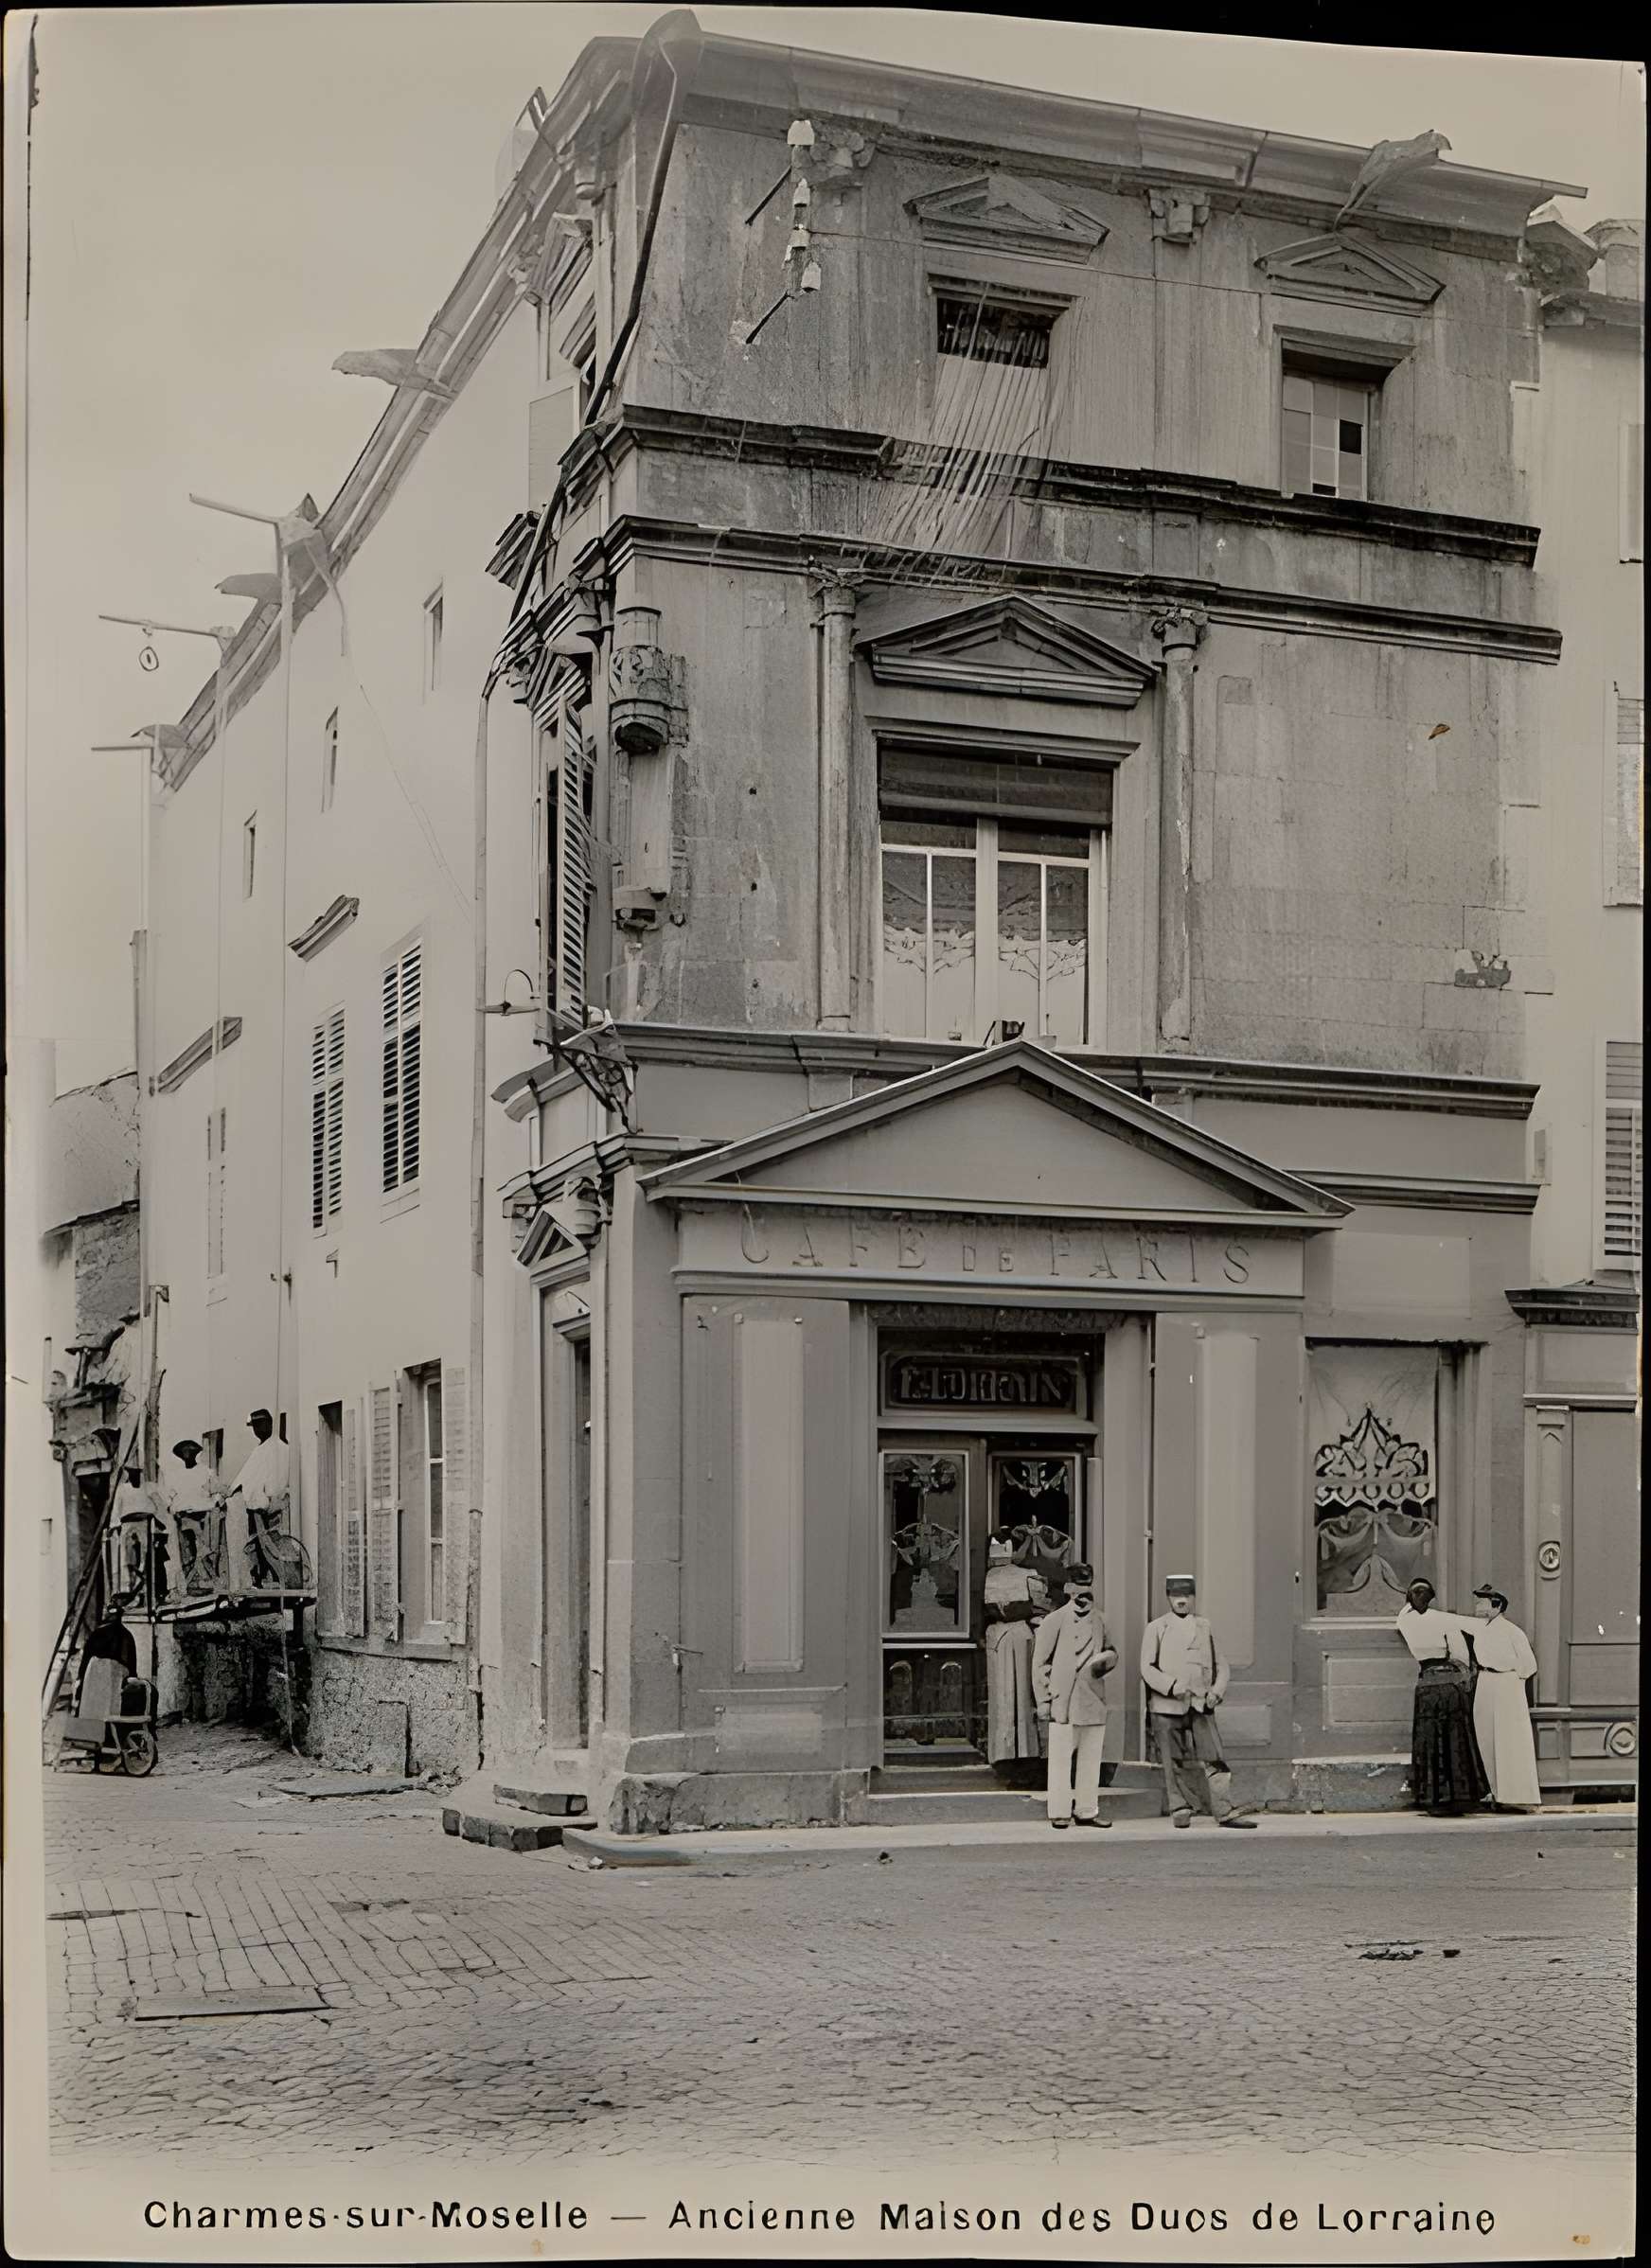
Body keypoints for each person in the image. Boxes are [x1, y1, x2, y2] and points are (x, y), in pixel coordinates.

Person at [1141, 1574, 1258, 1828]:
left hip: (1201, 1704)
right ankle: (1180, 1808)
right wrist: (1172, 1686)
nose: (1181, 1601)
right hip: (1167, 1705)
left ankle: (1224, 1810)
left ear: (1193, 1598)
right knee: (1172, 1761)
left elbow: (1221, 1664)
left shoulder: (1204, 1626)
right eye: (1176, 1596)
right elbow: (1147, 1668)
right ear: (1168, 1598)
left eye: (1186, 1596)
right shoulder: (1156, 1628)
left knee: (1214, 1756)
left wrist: (1216, 1691)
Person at [1032, 1563, 1117, 1829]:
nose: (1083, 1593)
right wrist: (1045, 1701)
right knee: (1060, 1758)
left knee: (1091, 1757)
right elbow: (1040, 1663)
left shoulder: (1102, 1620)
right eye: (1078, 1587)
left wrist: (1107, 1660)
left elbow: (1111, 1650)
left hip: (1092, 1699)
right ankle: (1059, 1811)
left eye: (1087, 1587)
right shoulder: (1054, 1620)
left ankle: (1087, 1810)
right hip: (1063, 1700)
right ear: (1068, 1589)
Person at [1395, 1577, 1488, 1816]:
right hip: (1448, 1685)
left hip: (1427, 1685)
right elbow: (1464, 1648)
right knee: (1455, 1740)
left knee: (1430, 1740)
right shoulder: (1443, 1620)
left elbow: (1405, 1612)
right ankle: (1459, 1796)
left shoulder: (1405, 1620)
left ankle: (1433, 1796)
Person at [1468, 1585, 1541, 1811]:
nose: (1478, 1606)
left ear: (1497, 1605)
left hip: (1506, 1685)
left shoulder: (1513, 1631)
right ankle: (1495, 1791)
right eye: (1478, 1602)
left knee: (1509, 1740)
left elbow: (1529, 1666)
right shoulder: (1479, 1630)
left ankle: (1515, 1795)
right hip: (1485, 1681)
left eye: (1483, 1602)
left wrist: (1510, 1681)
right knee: (1486, 1736)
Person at [982, 1530, 1049, 1773]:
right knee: (1006, 1695)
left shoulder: (1026, 1575)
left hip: (1017, 1636)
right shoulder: (987, 1577)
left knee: (1021, 1692)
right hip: (1005, 1637)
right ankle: (1009, 1751)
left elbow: (1041, 1608)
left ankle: (1022, 1751)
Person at [228, 1409, 292, 1588]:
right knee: (259, 1541)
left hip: (270, 1503)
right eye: (255, 1426)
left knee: (263, 1540)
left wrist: (264, 1498)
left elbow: (270, 1480)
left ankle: (266, 1576)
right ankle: (260, 1575)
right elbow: (246, 1478)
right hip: (264, 1502)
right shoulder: (262, 1450)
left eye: (261, 1425)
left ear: (271, 1424)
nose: (258, 1430)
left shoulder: (277, 1449)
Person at [75, 1597, 137, 1714]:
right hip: (111, 1688)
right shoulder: (126, 1635)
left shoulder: (100, 1634)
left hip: (95, 1686)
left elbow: (85, 1661)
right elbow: (131, 1669)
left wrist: (80, 1679)